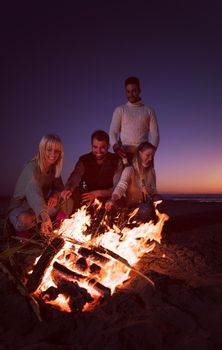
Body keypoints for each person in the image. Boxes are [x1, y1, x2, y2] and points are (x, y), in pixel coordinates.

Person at [8, 134, 67, 237]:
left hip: (39, 205)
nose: (53, 154)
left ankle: (53, 224)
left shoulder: (54, 169)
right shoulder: (32, 168)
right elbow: (33, 192)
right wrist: (44, 216)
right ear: (42, 149)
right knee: (26, 219)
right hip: (22, 207)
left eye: (56, 151)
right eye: (49, 149)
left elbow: (59, 187)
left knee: (67, 199)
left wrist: (55, 195)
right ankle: (38, 225)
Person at [61, 130, 123, 212]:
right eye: (95, 147)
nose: (98, 151)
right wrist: (68, 189)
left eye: (102, 147)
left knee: (120, 203)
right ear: (91, 146)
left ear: (108, 146)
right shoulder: (84, 160)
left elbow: (117, 188)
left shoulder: (116, 161)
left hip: (108, 199)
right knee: (75, 193)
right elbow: (74, 178)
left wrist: (98, 193)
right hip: (87, 199)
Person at [105, 142, 161, 223]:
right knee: (145, 209)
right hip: (133, 207)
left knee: (159, 199)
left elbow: (154, 191)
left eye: (152, 156)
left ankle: (156, 225)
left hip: (147, 203)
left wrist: (150, 190)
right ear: (140, 154)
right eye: (148, 155)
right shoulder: (129, 170)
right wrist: (112, 199)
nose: (150, 159)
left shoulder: (151, 171)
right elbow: (121, 186)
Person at [109, 76, 160, 164]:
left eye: (134, 91)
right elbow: (112, 132)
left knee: (145, 178)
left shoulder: (149, 110)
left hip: (143, 155)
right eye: (128, 91)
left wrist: (151, 152)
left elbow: (155, 134)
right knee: (123, 178)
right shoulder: (120, 110)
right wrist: (116, 147)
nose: (131, 94)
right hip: (124, 155)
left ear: (139, 90)